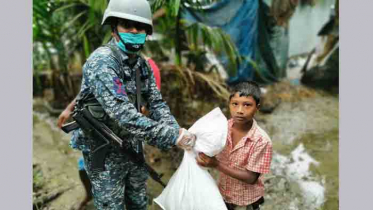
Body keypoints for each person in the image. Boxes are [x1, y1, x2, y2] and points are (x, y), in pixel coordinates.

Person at [61, 0, 197, 209]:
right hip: (104, 148)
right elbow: (122, 113)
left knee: (138, 201)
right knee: (111, 205)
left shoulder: (141, 64)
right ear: (114, 27)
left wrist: (175, 128)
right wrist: (173, 136)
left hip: (132, 145)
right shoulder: (103, 61)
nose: (134, 30)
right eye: (127, 24)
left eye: (140, 27)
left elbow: (157, 102)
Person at [196, 81, 272, 210]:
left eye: (247, 105)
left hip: (246, 198)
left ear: (257, 108)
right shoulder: (222, 128)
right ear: (229, 104)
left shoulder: (261, 141)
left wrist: (216, 165)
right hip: (224, 193)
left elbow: (251, 178)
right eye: (235, 104)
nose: (240, 110)